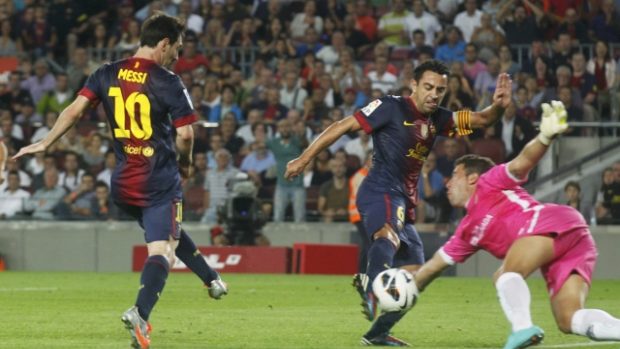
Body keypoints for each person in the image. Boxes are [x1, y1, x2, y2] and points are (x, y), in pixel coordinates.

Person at [12, 13, 227, 349]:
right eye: (178, 49)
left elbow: (74, 110)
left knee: (167, 232)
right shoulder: (168, 81)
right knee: (163, 249)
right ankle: (140, 314)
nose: (178, 57)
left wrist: (46, 142)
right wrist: (185, 163)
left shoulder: (106, 72)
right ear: (164, 43)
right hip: (158, 178)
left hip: (124, 183)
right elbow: (185, 133)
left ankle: (212, 279)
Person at [285, 60, 512, 346]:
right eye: (428, 87)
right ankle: (371, 283)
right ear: (413, 85)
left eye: (440, 90)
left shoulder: (438, 118)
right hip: (379, 189)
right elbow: (343, 126)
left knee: (416, 277)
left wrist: (500, 107)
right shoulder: (390, 107)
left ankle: (377, 333)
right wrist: (304, 158)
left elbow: (482, 120)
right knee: (386, 236)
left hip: (404, 200)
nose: (433, 94)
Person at [412, 102, 620, 349]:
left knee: (505, 274)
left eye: (454, 175)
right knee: (570, 319)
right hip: (570, 241)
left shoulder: (490, 181)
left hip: (550, 221)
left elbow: (522, 162)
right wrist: (407, 289)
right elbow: (434, 266)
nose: (447, 183)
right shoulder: (466, 231)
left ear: (472, 177)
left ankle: (522, 330)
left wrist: (544, 137)